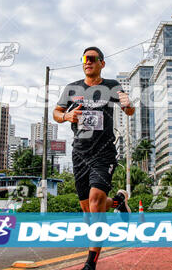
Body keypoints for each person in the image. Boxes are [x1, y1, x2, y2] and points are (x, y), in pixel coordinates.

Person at [54, 46, 135, 270]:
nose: (87, 62)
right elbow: (56, 112)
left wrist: (129, 105)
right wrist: (66, 115)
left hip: (104, 153)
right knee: (89, 209)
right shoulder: (72, 88)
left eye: (92, 59)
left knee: (96, 201)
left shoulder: (111, 86)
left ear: (102, 63)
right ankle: (118, 202)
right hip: (80, 153)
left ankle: (90, 264)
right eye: (84, 59)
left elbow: (129, 110)